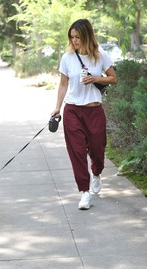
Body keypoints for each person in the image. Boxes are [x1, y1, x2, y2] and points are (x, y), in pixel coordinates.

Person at [51, 19, 117, 210]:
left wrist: (96, 78)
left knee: (97, 150)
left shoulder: (100, 55)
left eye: (78, 37)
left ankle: (97, 173)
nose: (74, 41)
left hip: (94, 110)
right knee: (77, 153)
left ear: (87, 36)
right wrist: (57, 107)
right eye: (72, 37)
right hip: (72, 110)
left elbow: (113, 78)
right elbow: (63, 84)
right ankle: (84, 192)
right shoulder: (67, 57)